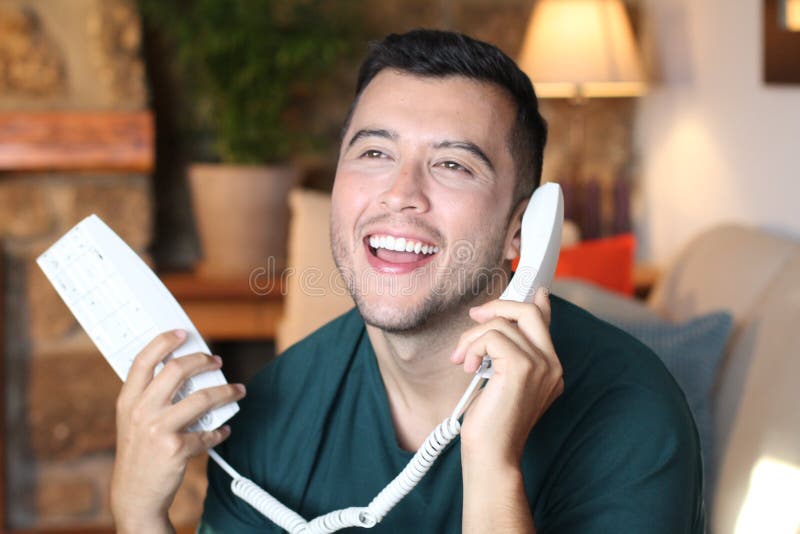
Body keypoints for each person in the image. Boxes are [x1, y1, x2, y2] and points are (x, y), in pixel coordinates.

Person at [110, 30, 705, 533]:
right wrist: (139, 513)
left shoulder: (632, 416)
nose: (400, 194)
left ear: (520, 231)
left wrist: (493, 466)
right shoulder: (274, 414)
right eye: (373, 153)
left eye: (453, 164)